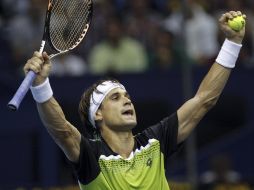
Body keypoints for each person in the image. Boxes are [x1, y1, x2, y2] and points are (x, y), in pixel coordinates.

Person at [24, 11, 246, 190]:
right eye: (115, 97)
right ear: (98, 114)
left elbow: (204, 99)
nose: (127, 101)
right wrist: (41, 85)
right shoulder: (91, 157)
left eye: (127, 96)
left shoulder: (154, 142)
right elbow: (61, 130)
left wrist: (232, 43)